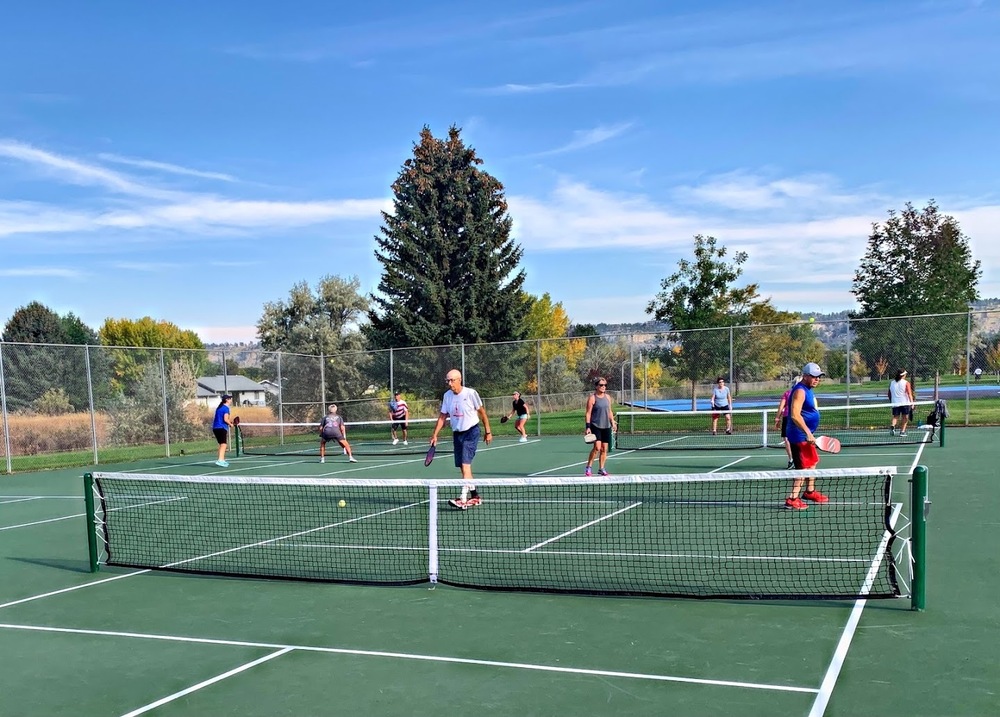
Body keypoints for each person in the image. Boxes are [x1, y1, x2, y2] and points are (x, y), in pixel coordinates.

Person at [430, 369, 492, 510]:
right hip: (457, 434)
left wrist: (488, 431)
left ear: (460, 380)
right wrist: (435, 434)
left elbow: (482, 413)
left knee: (465, 465)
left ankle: (463, 499)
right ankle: (475, 496)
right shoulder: (447, 396)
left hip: (471, 432)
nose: (449, 383)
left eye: (452, 380)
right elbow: (442, 416)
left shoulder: (471, 393)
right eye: (447, 381)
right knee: (463, 467)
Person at [784, 362, 829, 510]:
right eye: (814, 377)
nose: (817, 379)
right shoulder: (800, 391)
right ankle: (792, 498)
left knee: (812, 462)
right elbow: (795, 415)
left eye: (819, 377)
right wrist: (808, 432)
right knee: (802, 468)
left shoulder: (808, 389)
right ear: (805, 376)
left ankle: (810, 492)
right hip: (799, 436)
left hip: (806, 435)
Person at [584, 377, 617, 477]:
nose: (604, 387)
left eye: (605, 385)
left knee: (604, 449)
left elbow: (609, 411)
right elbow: (588, 413)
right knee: (597, 448)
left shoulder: (607, 397)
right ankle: (588, 467)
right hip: (595, 426)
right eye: (601, 385)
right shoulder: (592, 398)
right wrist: (588, 427)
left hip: (606, 426)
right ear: (596, 386)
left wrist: (613, 422)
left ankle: (601, 468)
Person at [774, 377, 799, 469]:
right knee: (798, 438)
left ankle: (791, 459)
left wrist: (777, 418)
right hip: (796, 417)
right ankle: (797, 459)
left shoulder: (787, 393)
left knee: (787, 439)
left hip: (788, 417)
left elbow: (781, 407)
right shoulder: (802, 393)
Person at [888, 369, 915, 437]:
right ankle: (902, 432)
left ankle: (893, 426)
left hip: (895, 403)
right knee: (905, 417)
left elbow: (889, 394)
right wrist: (912, 403)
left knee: (895, 417)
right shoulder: (906, 383)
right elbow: (909, 394)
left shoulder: (892, 383)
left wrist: (892, 401)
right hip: (904, 403)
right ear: (903, 375)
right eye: (905, 374)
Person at [212, 394, 234, 467]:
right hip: (221, 428)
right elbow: (225, 419)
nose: (231, 400)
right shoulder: (225, 408)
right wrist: (230, 424)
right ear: (227, 400)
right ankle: (220, 460)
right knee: (223, 444)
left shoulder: (219, 408)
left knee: (222, 444)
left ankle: (222, 459)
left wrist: (229, 422)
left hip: (215, 428)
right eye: (230, 399)